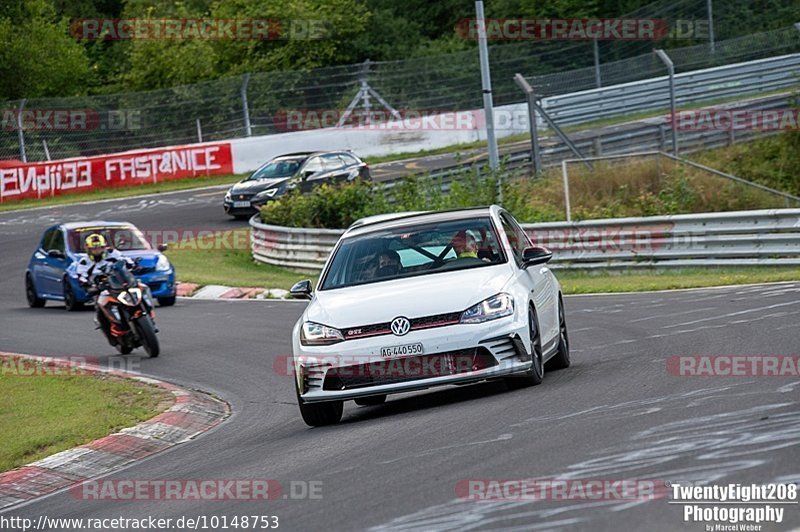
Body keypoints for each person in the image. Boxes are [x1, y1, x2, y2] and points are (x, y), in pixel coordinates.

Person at [76, 234, 138, 342]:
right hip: (101, 289)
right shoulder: (84, 262)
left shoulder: (112, 253)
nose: (97, 250)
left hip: (119, 283)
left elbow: (125, 260)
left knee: (142, 287)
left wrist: (133, 265)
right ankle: (112, 335)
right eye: (94, 248)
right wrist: (87, 285)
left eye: (100, 247)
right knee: (101, 309)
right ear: (88, 249)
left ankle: (147, 312)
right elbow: (81, 276)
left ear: (104, 247)